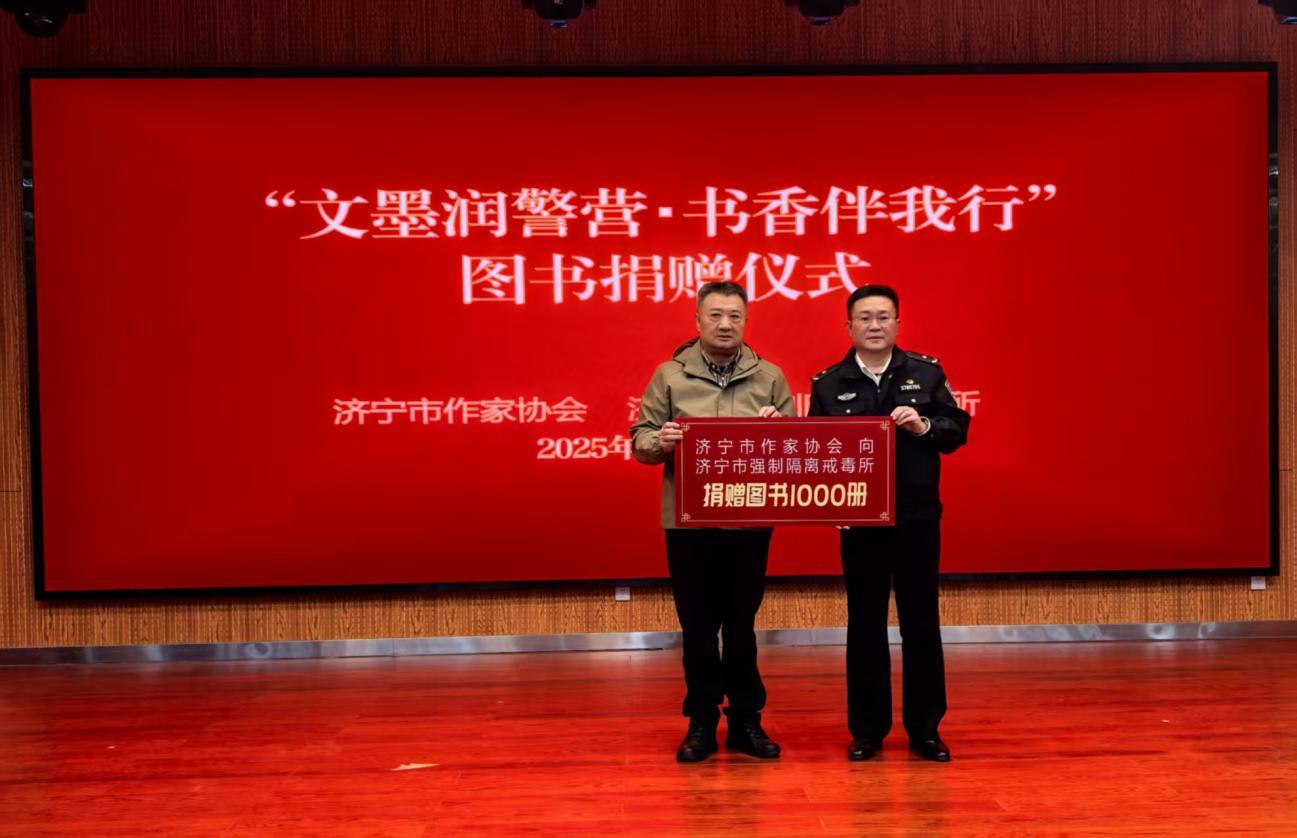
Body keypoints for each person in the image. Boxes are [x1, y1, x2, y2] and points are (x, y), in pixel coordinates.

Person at [631, 280, 795, 763]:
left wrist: (779, 431)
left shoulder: (770, 377)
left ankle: (746, 720)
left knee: (742, 627)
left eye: (734, 316)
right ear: (698, 320)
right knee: (699, 628)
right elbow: (640, 440)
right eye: (715, 315)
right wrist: (660, 440)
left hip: (749, 521)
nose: (725, 324)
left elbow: (795, 449)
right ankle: (701, 721)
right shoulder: (670, 375)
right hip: (689, 525)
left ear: (746, 321)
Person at [809, 284, 970, 762]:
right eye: (865, 318)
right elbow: (817, 455)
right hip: (861, 526)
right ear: (849, 326)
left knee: (921, 624)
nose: (875, 325)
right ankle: (867, 730)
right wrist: (832, 507)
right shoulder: (828, 384)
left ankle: (925, 730)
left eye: (883, 317)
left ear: (898, 324)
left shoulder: (926, 372)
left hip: (917, 520)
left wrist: (925, 426)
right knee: (865, 626)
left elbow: (956, 431)